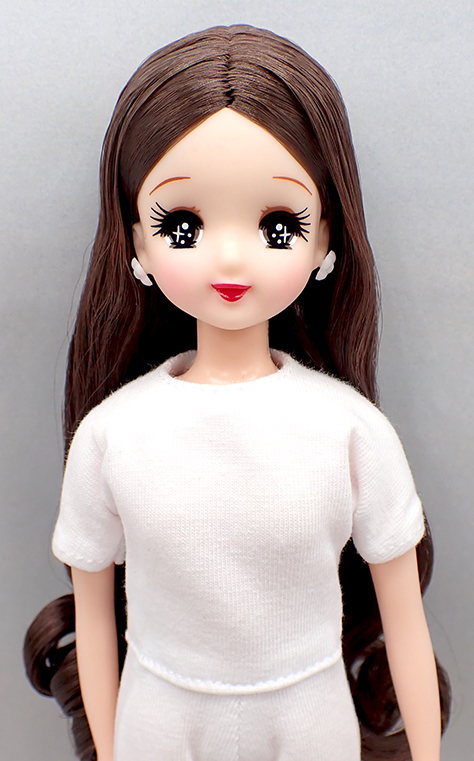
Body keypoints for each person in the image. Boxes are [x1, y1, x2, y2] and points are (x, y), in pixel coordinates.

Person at [24, 24, 450, 761]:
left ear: (325, 239)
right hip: (160, 718)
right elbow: (95, 624)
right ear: (136, 240)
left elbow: (404, 621)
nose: (229, 257)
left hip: (310, 717)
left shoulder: (350, 431)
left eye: (278, 225)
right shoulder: (112, 435)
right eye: (182, 224)